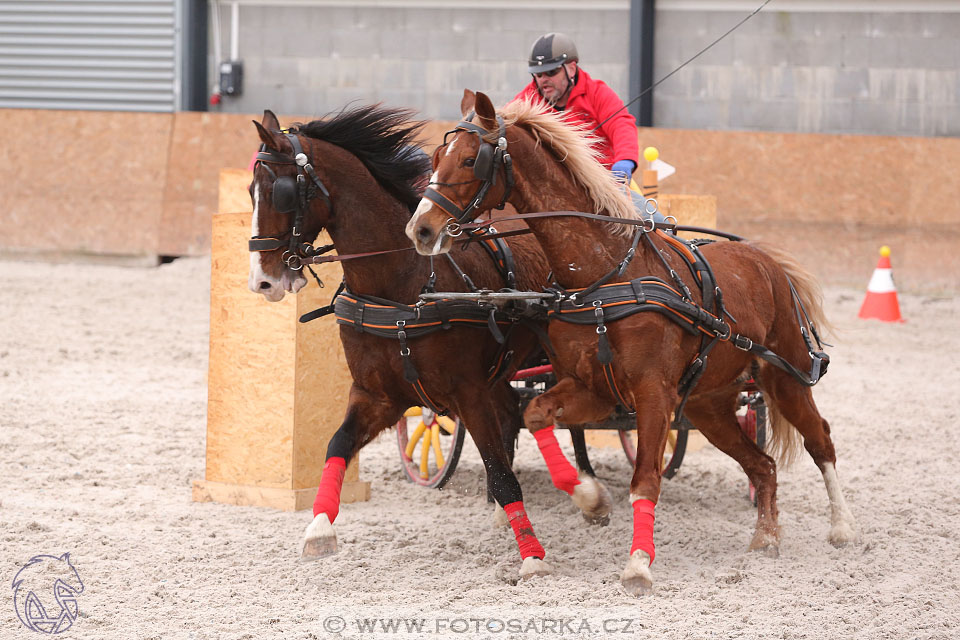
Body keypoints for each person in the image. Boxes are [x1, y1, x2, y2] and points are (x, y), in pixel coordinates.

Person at [514, 32, 639, 184]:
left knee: (645, 208)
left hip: (601, 184)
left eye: (551, 72)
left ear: (571, 69)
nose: (544, 80)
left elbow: (620, 124)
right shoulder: (526, 101)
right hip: (548, 187)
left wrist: (625, 159)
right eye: (538, 75)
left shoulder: (597, 93)